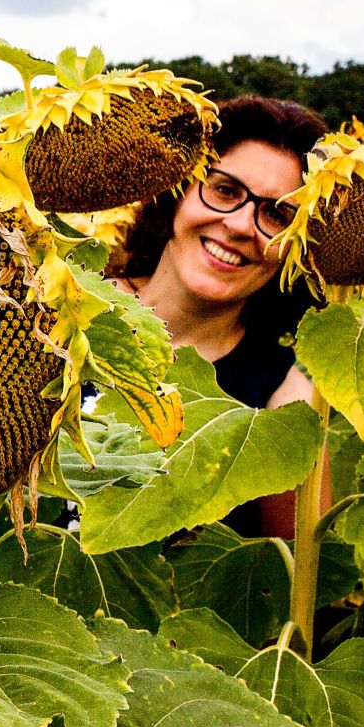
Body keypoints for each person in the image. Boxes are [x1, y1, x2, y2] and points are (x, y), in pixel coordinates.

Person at [114, 93, 328, 537]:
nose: (239, 225)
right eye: (225, 190)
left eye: (277, 214)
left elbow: (300, 581)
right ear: (175, 191)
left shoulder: (285, 405)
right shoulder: (61, 307)